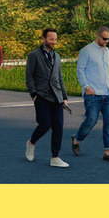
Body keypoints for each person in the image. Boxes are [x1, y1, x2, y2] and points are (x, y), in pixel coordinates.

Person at [71, 26, 109, 163]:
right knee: (91, 120)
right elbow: (80, 70)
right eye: (104, 38)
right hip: (93, 94)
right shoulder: (86, 51)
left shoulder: (107, 51)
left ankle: (108, 152)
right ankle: (76, 139)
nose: (106, 41)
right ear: (97, 35)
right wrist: (86, 87)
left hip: (108, 93)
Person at [25, 28, 70, 168]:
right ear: (43, 39)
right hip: (41, 96)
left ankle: (55, 157)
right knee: (45, 124)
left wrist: (64, 96)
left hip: (57, 97)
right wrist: (33, 95)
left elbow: (59, 77)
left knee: (58, 127)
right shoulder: (34, 55)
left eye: (55, 39)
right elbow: (29, 76)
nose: (54, 42)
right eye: (51, 39)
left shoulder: (57, 56)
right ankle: (31, 142)